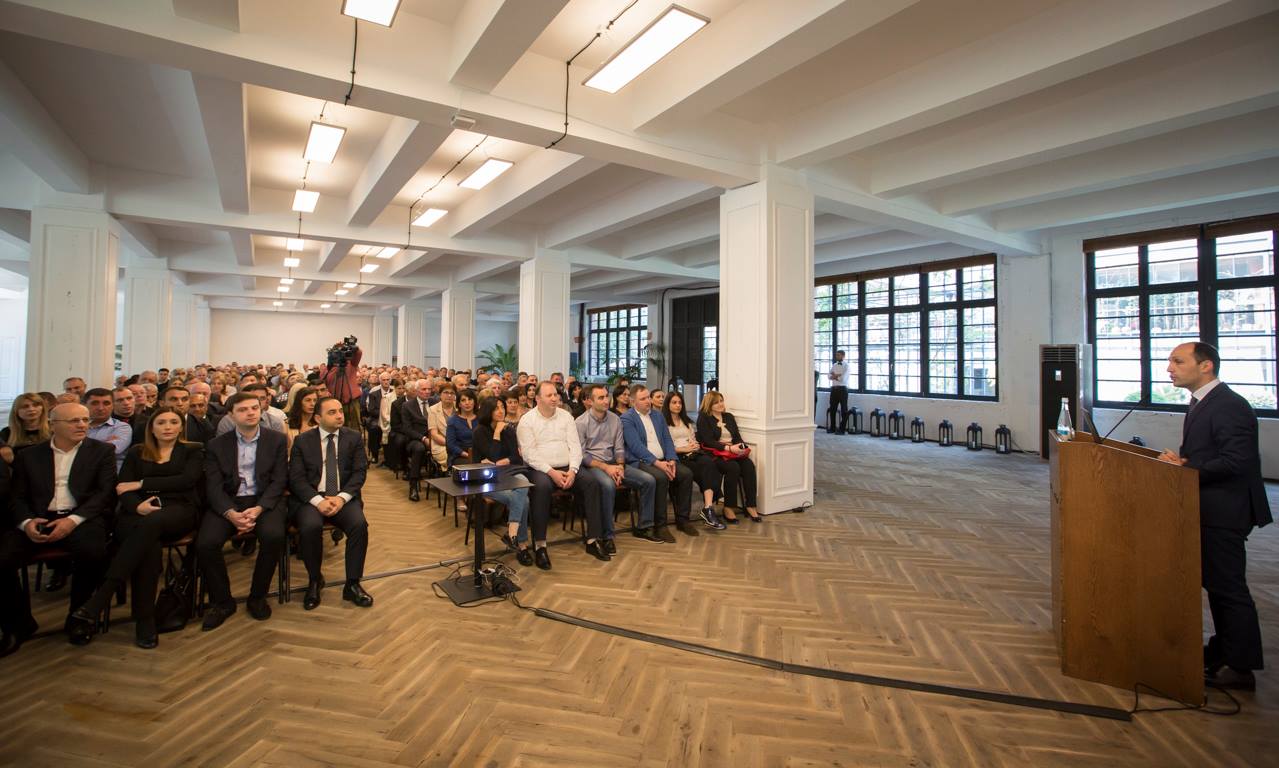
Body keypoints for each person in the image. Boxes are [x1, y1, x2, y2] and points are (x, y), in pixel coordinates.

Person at [1158, 341, 1272, 691]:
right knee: (1218, 584)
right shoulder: (1203, 402)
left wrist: (1186, 467)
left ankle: (1240, 667)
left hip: (1226, 509)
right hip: (1211, 506)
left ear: (1205, 365)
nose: (1170, 368)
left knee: (1228, 587)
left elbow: (1237, 461)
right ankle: (1224, 649)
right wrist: (1187, 463)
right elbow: (1215, 454)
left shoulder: (1228, 405)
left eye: (1178, 361)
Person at [71, 407, 203, 648]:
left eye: (174, 422)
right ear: (151, 427)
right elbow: (123, 487)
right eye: (161, 422)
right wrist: (137, 506)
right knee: (149, 547)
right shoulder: (137, 452)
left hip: (178, 510)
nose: (168, 427)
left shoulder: (192, 450)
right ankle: (145, 620)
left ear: (181, 427)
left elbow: (186, 481)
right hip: (138, 511)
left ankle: (102, 596)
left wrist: (141, 484)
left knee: (152, 523)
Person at [0, 403, 114, 654]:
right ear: (53, 426)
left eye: (85, 420)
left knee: (93, 554)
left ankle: (79, 617)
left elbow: (104, 494)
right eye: (74, 421)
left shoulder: (102, 451)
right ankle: (17, 624)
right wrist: (27, 522)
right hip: (38, 519)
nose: (82, 425)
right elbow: (17, 497)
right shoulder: (29, 456)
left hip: (81, 518)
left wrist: (72, 520)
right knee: (3, 559)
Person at [196, 392, 290, 631]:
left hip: (263, 500)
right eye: (243, 409)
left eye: (254, 408)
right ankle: (222, 601)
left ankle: (258, 596)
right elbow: (213, 486)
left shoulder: (277, 440)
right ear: (231, 415)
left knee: (273, 536)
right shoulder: (217, 445)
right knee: (206, 543)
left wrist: (258, 509)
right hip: (228, 501)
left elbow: (279, 480)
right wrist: (230, 513)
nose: (250, 413)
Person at [288, 396, 373, 611]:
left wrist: (341, 498)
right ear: (318, 418)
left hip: (342, 496)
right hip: (312, 498)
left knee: (359, 525)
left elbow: (359, 473)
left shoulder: (353, 437)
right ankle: (315, 580)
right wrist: (318, 501)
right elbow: (296, 479)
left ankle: (352, 584)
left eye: (340, 411)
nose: (339, 416)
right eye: (332, 412)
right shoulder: (303, 441)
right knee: (310, 527)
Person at [576, 383, 661, 559]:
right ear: (590, 401)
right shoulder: (580, 422)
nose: (606, 400)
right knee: (608, 486)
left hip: (615, 463)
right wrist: (607, 468)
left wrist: (620, 466)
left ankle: (644, 527)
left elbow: (619, 448)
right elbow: (582, 456)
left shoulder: (615, 419)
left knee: (648, 480)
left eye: (606, 396)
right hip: (594, 466)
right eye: (601, 398)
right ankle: (608, 536)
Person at [516, 381, 587, 571]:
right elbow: (529, 455)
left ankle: (595, 538)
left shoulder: (566, 416)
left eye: (556, 394)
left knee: (593, 481)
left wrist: (573, 470)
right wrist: (552, 472)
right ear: (538, 399)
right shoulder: (527, 420)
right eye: (549, 395)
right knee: (542, 487)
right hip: (539, 468)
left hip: (567, 467)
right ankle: (540, 545)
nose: (554, 398)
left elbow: (575, 447)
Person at [621, 385, 697, 538]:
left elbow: (667, 440)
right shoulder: (627, 418)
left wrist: (672, 459)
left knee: (686, 474)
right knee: (661, 477)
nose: (648, 401)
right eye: (643, 399)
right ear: (633, 401)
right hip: (642, 461)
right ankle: (660, 525)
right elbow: (635, 446)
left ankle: (683, 520)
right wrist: (657, 463)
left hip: (663, 460)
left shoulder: (658, 416)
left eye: (648, 397)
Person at [472, 398, 532, 566]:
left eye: (502, 407)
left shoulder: (509, 430)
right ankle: (522, 545)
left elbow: (516, 458)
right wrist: (497, 433)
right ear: (488, 411)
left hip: (507, 474)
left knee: (523, 481)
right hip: (485, 479)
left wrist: (505, 460)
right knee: (524, 500)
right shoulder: (480, 432)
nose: (501, 411)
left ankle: (512, 534)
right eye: (496, 408)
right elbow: (492, 455)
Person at [663, 391, 725, 529]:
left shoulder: (686, 421)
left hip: (693, 453)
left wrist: (695, 445)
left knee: (709, 463)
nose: (678, 405)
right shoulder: (663, 423)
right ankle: (707, 511)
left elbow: (693, 438)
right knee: (703, 471)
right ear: (668, 404)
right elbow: (665, 446)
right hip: (677, 456)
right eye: (674, 402)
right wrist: (684, 448)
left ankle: (708, 507)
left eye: (680, 402)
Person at [696, 391, 760, 523]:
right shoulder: (704, 418)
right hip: (716, 454)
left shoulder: (729, 417)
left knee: (748, 465)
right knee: (733, 468)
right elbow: (708, 441)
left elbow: (736, 436)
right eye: (716, 402)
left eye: (721, 401)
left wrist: (741, 447)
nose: (720, 404)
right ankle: (728, 507)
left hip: (733, 452)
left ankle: (751, 505)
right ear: (709, 404)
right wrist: (728, 448)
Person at [398, 380, 441, 502]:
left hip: (435, 437)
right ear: (417, 391)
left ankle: (442, 478)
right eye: (424, 389)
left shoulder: (435, 402)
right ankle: (413, 485)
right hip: (415, 438)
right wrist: (423, 438)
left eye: (429, 389)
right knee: (419, 449)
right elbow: (407, 429)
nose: (427, 392)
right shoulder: (407, 406)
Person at [445, 389, 479, 513]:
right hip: (459, 454)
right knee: (467, 466)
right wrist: (466, 454)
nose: (467, 403)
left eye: (470, 399)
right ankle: (461, 497)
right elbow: (450, 444)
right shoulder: (453, 421)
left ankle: (480, 498)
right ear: (459, 404)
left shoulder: (481, 419)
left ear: (474, 402)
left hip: (479, 453)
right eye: (463, 400)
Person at [84, 388, 133, 471]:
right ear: (84, 405)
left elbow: (111, 451)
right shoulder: (77, 426)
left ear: (113, 406)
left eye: (106, 403)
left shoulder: (122, 427)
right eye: (95, 403)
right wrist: (104, 444)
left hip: (109, 474)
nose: (101, 408)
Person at [216, 383, 287, 435]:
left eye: (262, 398)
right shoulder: (228, 420)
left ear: (267, 400)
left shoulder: (275, 422)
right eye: (253, 398)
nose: (258, 401)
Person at [1, 393, 51, 466]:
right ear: (16, 411)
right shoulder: (7, 432)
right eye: (25, 406)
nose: (31, 409)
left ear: (43, 408)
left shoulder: (54, 428)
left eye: (36, 405)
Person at [364, 372, 393, 464]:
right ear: (380, 381)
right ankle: (374, 454)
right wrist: (384, 415)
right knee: (374, 428)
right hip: (377, 418)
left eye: (388, 380)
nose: (386, 382)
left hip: (392, 418)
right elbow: (371, 410)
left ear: (390, 381)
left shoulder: (394, 392)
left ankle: (391, 456)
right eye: (384, 380)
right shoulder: (374, 394)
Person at [285, 386, 320, 453]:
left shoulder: (321, 423)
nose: (312, 404)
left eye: (315, 400)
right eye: (308, 400)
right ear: (299, 402)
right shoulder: (286, 424)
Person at [827, 349, 850, 434]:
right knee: (832, 409)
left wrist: (834, 376)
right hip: (834, 389)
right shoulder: (834, 365)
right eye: (836, 355)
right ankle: (832, 428)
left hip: (843, 389)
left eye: (838, 355)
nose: (837, 356)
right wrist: (837, 376)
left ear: (843, 356)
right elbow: (828, 376)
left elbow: (843, 379)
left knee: (844, 409)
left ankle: (842, 429)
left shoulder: (846, 366)